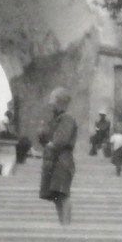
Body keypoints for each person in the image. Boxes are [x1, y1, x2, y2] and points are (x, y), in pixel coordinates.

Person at [38, 87, 77, 226]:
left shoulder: (67, 118)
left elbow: (60, 140)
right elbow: (45, 138)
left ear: (58, 101)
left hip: (62, 160)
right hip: (54, 160)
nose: (50, 103)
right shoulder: (55, 119)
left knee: (62, 194)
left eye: (52, 99)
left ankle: (66, 226)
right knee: (56, 195)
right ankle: (63, 224)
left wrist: (49, 144)